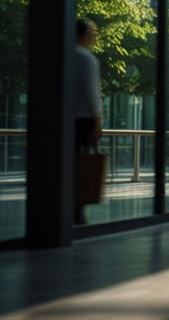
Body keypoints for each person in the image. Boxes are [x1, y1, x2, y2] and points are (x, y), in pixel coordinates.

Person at [74, 19, 103, 225]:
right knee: (83, 165)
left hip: (64, 120)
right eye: (92, 31)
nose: (95, 35)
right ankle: (78, 209)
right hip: (83, 120)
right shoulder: (87, 59)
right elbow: (92, 92)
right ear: (83, 35)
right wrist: (98, 121)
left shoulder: (64, 55)